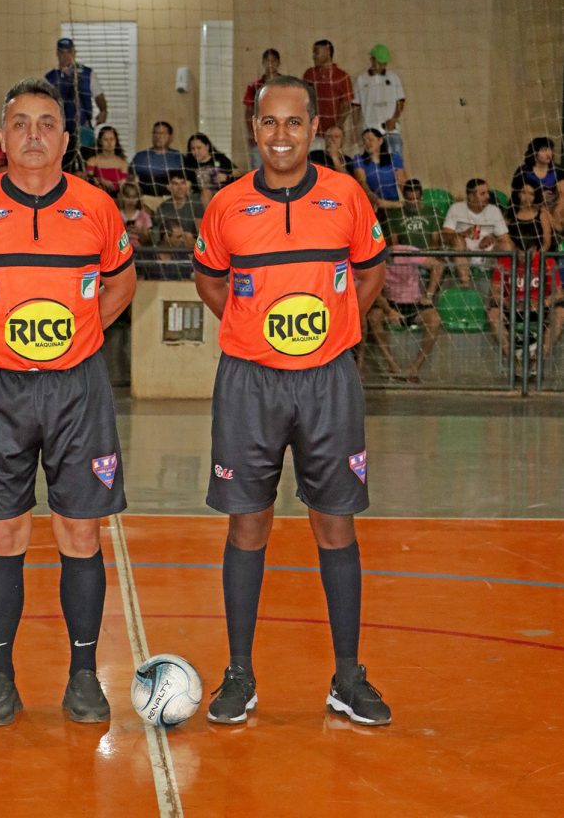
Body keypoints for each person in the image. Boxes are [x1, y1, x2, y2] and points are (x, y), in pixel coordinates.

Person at [0, 76, 136, 727]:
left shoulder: (97, 207)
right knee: (5, 531)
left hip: (77, 388)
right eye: (21, 123)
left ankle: (84, 677)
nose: (34, 134)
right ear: (2, 138)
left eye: (47, 123)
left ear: (67, 140)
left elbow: (123, 281)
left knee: (79, 530)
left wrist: (86, 336)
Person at [193, 75, 391, 727]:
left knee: (334, 522)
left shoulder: (346, 197)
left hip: (328, 380)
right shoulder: (225, 206)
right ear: (254, 129)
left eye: (294, 122)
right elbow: (210, 278)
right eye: (269, 123)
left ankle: (348, 677)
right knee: (248, 522)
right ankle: (239, 677)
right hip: (250, 382)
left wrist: (335, 330)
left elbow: (369, 272)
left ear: (314, 129)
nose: (282, 135)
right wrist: (255, 333)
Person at [365, 247, 442, 383]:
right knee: (373, 316)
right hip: (390, 302)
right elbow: (375, 290)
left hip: (414, 302)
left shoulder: (405, 252)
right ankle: (393, 367)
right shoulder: (371, 257)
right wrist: (389, 311)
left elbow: (438, 265)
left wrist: (429, 294)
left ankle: (414, 368)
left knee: (434, 319)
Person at [44, 37, 107, 168]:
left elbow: (99, 96)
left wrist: (103, 110)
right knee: (63, 167)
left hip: (83, 128)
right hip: (60, 131)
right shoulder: (50, 78)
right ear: (57, 53)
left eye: (68, 52)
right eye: (62, 52)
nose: (65, 56)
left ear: (74, 53)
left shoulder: (86, 73)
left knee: (86, 166)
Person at [442, 178, 513, 287]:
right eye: (483, 194)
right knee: (457, 242)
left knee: (507, 246)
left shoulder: (494, 211)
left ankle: (503, 287)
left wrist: (492, 239)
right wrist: (463, 234)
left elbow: (506, 240)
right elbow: (445, 236)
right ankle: (465, 283)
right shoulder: (456, 208)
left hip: (486, 256)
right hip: (463, 254)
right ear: (470, 196)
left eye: (487, 193)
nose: (488, 197)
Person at [352, 44, 405, 161]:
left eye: (384, 63)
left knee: (395, 161)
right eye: (379, 62)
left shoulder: (394, 78)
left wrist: (394, 119)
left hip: (391, 130)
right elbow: (356, 106)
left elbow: (400, 101)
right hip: (370, 130)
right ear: (372, 60)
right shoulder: (361, 79)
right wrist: (355, 127)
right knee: (373, 163)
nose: (382, 65)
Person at [352, 128, 406, 241]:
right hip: (373, 206)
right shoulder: (359, 159)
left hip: (394, 204)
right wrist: (375, 199)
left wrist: (406, 202)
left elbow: (402, 183)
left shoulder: (394, 158)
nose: (367, 143)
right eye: (364, 140)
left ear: (380, 141)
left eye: (370, 139)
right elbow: (362, 182)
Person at [302, 39, 353, 148]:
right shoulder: (309, 74)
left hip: (332, 134)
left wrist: (337, 127)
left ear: (327, 52)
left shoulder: (342, 76)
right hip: (313, 131)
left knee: (331, 163)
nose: (313, 56)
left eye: (316, 52)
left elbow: (346, 105)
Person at [243, 49, 281, 169]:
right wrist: (251, 132)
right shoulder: (254, 86)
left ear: (278, 63)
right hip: (261, 131)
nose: (270, 64)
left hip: (280, 130)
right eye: (267, 61)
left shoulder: (286, 84)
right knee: (259, 165)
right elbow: (249, 110)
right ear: (263, 62)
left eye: (273, 61)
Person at [129, 121, 185, 198]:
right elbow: (130, 180)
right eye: (155, 133)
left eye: (162, 133)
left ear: (170, 137)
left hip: (171, 200)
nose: (158, 136)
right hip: (143, 200)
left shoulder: (178, 157)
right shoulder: (140, 157)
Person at [511, 137, 564, 212]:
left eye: (550, 149)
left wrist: (556, 196)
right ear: (534, 152)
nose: (548, 153)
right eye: (543, 150)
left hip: (554, 210)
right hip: (529, 210)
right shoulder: (523, 171)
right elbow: (516, 194)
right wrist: (539, 197)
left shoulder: (559, 170)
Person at [184, 132, 235, 205]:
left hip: (222, 192)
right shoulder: (189, 163)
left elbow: (237, 173)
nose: (196, 152)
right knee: (205, 192)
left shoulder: (220, 158)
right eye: (193, 149)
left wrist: (227, 177)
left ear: (207, 146)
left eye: (199, 148)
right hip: (200, 196)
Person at [153, 171, 204, 243]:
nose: (180, 187)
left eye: (183, 183)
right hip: (170, 246)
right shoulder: (163, 207)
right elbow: (157, 234)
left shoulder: (196, 203)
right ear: (169, 187)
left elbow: (201, 232)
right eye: (175, 184)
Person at [85, 126, 129, 194]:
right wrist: (101, 181)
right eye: (106, 139)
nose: (109, 143)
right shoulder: (92, 161)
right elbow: (88, 180)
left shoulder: (123, 163)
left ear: (116, 141)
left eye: (112, 139)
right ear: (100, 141)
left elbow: (123, 185)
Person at [116, 180, 152, 249]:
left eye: (134, 197)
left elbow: (148, 241)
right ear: (122, 197)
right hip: (120, 250)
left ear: (138, 198)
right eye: (128, 197)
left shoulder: (144, 216)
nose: (131, 200)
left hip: (140, 251)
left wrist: (140, 232)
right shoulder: (116, 215)